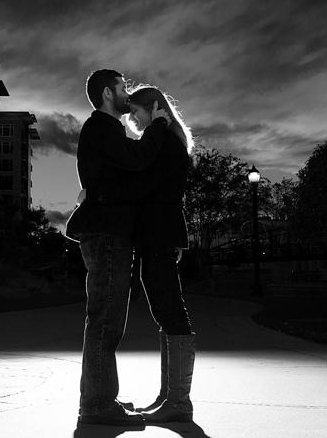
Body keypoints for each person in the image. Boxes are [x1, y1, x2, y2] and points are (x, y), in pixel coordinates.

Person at [84, 84, 196, 424]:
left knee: (170, 310)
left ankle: (178, 400)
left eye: (137, 112)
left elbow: (142, 182)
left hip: (159, 237)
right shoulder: (164, 140)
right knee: (165, 311)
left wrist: (99, 191)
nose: (132, 119)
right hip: (156, 237)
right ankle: (170, 396)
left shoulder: (168, 142)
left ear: (154, 108)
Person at [65, 69, 170, 426]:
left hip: (111, 234)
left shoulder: (108, 132)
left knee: (109, 320)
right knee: (106, 319)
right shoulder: (100, 128)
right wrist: (157, 124)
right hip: (106, 235)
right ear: (108, 94)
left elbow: (127, 175)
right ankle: (96, 405)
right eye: (123, 88)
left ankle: (101, 398)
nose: (128, 93)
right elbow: (139, 159)